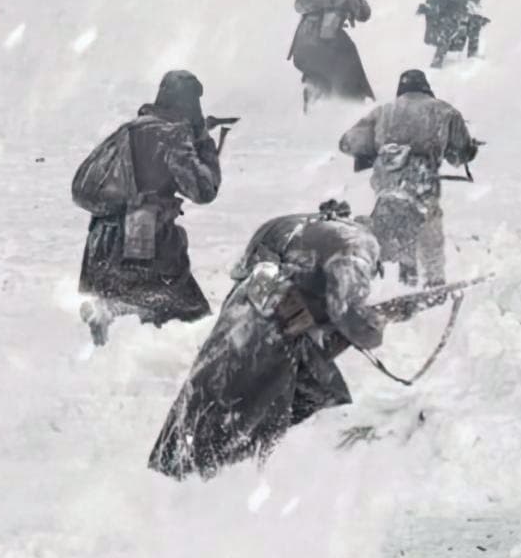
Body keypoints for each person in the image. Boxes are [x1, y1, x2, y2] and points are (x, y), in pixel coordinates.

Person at [148, 202, 383, 480]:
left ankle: (180, 479)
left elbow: (250, 272)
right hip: (268, 338)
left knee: (199, 414)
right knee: (226, 435)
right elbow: (347, 313)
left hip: (240, 317)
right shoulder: (359, 244)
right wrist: (375, 325)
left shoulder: (303, 225)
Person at [72, 71, 222, 345]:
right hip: (142, 245)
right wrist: (203, 142)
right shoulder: (171, 134)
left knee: (116, 333)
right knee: (194, 322)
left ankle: (108, 340)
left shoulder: (130, 129)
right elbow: (203, 190)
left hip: (102, 244)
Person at [337, 69, 477, 288]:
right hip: (421, 181)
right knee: (429, 230)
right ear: (426, 88)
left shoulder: (384, 110)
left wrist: (374, 152)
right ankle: (434, 284)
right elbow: (462, 153)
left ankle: (374, 282)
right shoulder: (444, 111)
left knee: (385, 230)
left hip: (387, 184)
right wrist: (469, 149)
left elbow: (347, 143)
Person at [290, 0, 374, 109]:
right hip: (325, 40)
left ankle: (314, 100)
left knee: (320, 76)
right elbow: (362, 14)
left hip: (302, 42)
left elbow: (299, 4)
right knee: (351, 68)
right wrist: (360, 1)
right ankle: (354, 106)